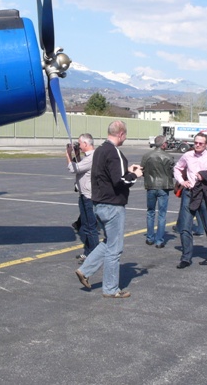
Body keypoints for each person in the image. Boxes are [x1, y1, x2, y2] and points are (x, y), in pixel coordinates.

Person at [75, 120, 142, 299]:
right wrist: (134, 175)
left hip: (98, 203)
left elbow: (109, 174)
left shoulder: (99, 151)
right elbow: (120, 181)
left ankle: (85, 270)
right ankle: (111, 289)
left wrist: (127, 170)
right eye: (125, 135)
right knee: (115, 248)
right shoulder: (114, 152)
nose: (125, 138)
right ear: (121, 134)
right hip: (112, 205)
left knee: (109, 242)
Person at [174, 132, 207, 269]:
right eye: (195, 142)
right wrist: (182, 181)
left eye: (200, 143)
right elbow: (177, 168)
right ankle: (186, 258)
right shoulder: (187, 155)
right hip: (189, 193)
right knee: (185, 227)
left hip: (204, 193)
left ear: (206, 144)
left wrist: (204, 176)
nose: (197, 145)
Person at [66, 134, 98, 263]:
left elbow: (74, 169)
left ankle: (94, 256)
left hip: (89, 197)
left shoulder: (92, 157)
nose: (78, 145)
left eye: (79, 143)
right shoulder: (88, 157)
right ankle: (88, 252)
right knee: (85, 226)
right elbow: (81, 167)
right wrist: (77, 155)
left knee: (91, 227)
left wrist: (68, 155)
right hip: (84, 194)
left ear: (85, 144)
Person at [140, 135, 175, 248]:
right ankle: (159, 241)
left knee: (150, 212)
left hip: (151, 186)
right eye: (166, 142)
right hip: (164, 187)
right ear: (163, 144)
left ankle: (150, 238)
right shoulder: (169, 157)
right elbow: (173, 173)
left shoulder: (147, 156)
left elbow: (142, 170)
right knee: (162, 214)